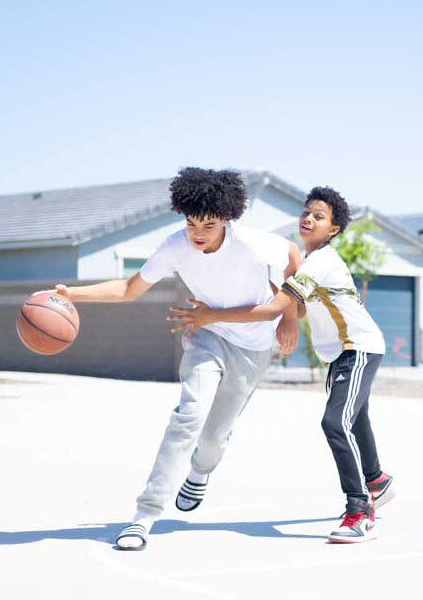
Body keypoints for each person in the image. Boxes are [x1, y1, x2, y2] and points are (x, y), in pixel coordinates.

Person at [48, 168, 300, 551]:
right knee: (189, 416)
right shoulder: (175, 246)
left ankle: (200, 472)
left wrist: (290, 317)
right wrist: (72, 295)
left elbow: (293, 259)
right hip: (207, 337)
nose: (197, 232)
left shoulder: (255, 245)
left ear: (227, 219)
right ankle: (144, 516)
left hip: (252, 347)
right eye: (191, 222)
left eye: (209, 225)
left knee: (214, 439)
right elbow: (129, 289)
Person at [169, 186, 394, 544]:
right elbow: (296, 308)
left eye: (319, 217)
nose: (308, 219)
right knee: (356, 421)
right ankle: (377, 481)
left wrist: (211, 314)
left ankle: (359, 509)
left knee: (336, 423)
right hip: (341, 352)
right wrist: (285, 315)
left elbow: (277, 307)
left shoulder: (322, 261)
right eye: (306, 212)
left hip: (359, 348)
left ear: (334, 229)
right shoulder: (308, 263)